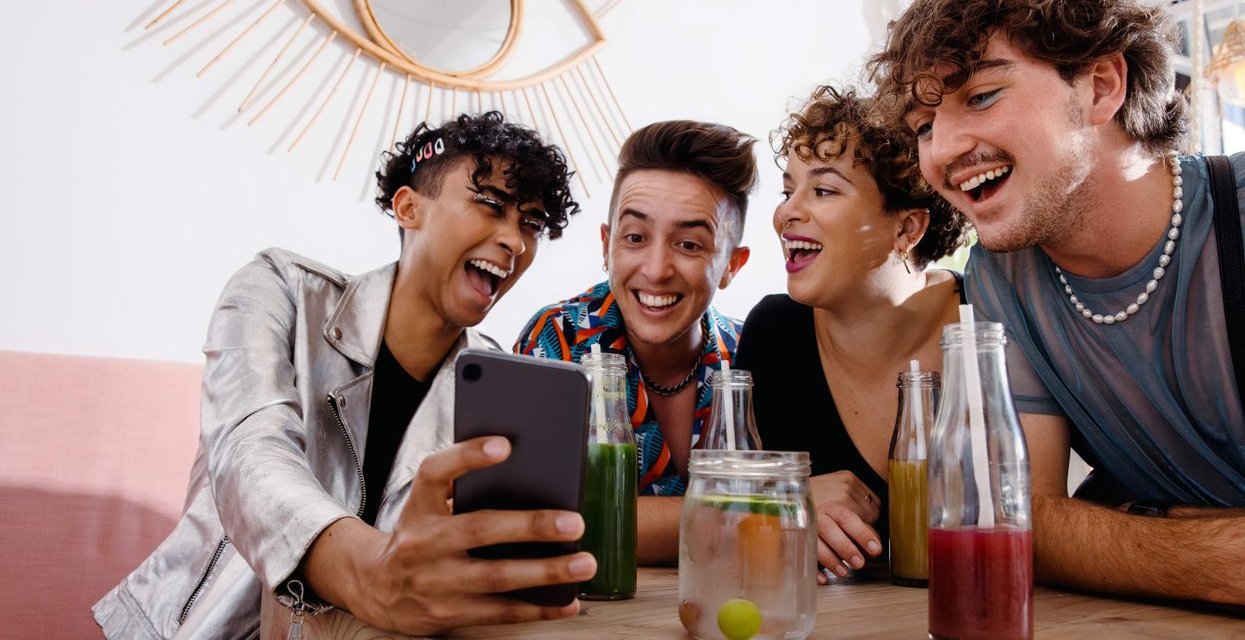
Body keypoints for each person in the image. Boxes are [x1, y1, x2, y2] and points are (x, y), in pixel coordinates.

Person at [93, 112, 596, 639]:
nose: (514, 241)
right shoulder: (279, 290)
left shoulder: (498, 382)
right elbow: (249, 453)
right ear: (409, 208)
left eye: (531, 224)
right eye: (490, 205)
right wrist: (367, 570)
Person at [867, 0, 1245, 605]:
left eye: (981, 95)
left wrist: (1128, 520)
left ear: (1100, 85)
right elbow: (1016, 523)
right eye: (923, 127)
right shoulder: (998, 276)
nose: (941, 151)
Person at [732, 86, 967, 583]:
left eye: (823, 190)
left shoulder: (983, 326)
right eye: (787, 190)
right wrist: (785, 506)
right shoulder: (773, 335)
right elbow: (738, 522)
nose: (786, 213)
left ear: (907, 229)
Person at [515, 120, 756, 564]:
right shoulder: (558, 343)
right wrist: (751, 515)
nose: (657, 268)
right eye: (635, 238)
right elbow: (538, 522)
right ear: (607, 245)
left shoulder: (755, 353)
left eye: (688, 244)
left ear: (731, 265)